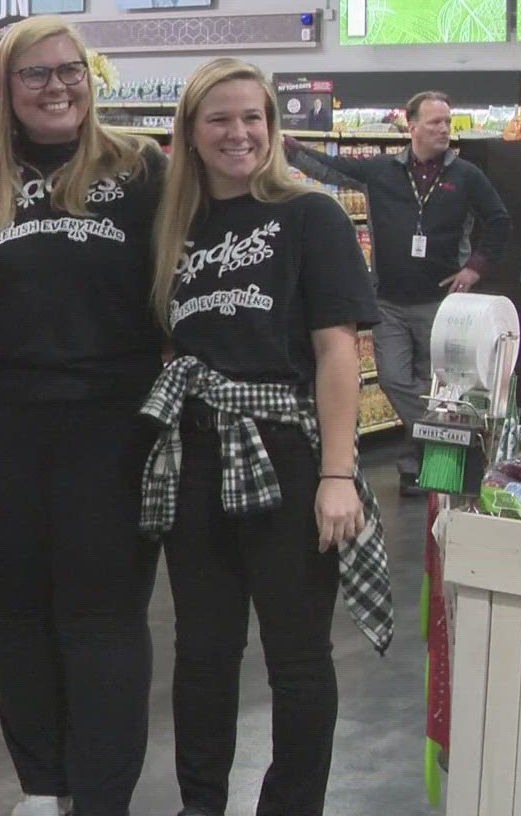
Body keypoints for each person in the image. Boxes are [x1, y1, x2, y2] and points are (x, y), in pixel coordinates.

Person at [145, 58, 391, 816]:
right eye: (219, 118)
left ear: (274, 127)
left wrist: (340, 475)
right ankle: (201, 804)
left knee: (297, 656)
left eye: (253, 117)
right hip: (194, 454)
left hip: (286, 452)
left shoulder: (309, 215)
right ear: (191, 131)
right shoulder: (170, 227)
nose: (239, 133)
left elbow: (337, 350)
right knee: (204, 654)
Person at [0, 17, 164, 816]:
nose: (57, 87)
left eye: (69, 70)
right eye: (34, 74)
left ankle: (102, 797)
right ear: (5, 88)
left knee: (103, 615)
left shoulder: (142, 170)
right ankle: (42, 786)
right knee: (14, 610)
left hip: (113, 423)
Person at [284, 92, 512, 489]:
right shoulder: (383, 171)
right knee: (393, 379)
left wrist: (474, 270)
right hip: (387, 299)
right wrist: (289, 149)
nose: (444, 129)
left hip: (443, 302)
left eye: (447, 122)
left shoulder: (466, 176)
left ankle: (416, 464)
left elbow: (499, 221)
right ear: (412, 127)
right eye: (435, 122)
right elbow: (333, 169)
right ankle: (448, 440)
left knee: (434, 382)